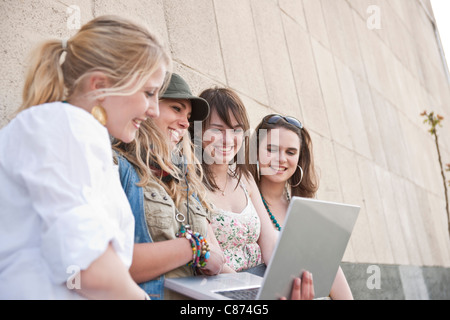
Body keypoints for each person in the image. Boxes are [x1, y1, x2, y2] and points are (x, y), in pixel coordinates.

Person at [0, 15, 170, 300]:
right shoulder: (66, 127)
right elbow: (88, 271)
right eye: (149, 93)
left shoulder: (68, 129)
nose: (154, 110)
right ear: (99, 84)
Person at [113, 73, 225, 300]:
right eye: (176, 108)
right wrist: (193, 248)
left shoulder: (185, 178)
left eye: (189, 116)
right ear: (148, 107)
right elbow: (114, 264)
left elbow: (218, 257)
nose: (185, 122)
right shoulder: (118, 166)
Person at [250, 114, 354, 300]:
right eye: (272, 149)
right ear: (256, 151)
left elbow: (328, 266)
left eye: (290, 152)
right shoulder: (245, 200)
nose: (281, 159)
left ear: (299, 159)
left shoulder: (304, 209)